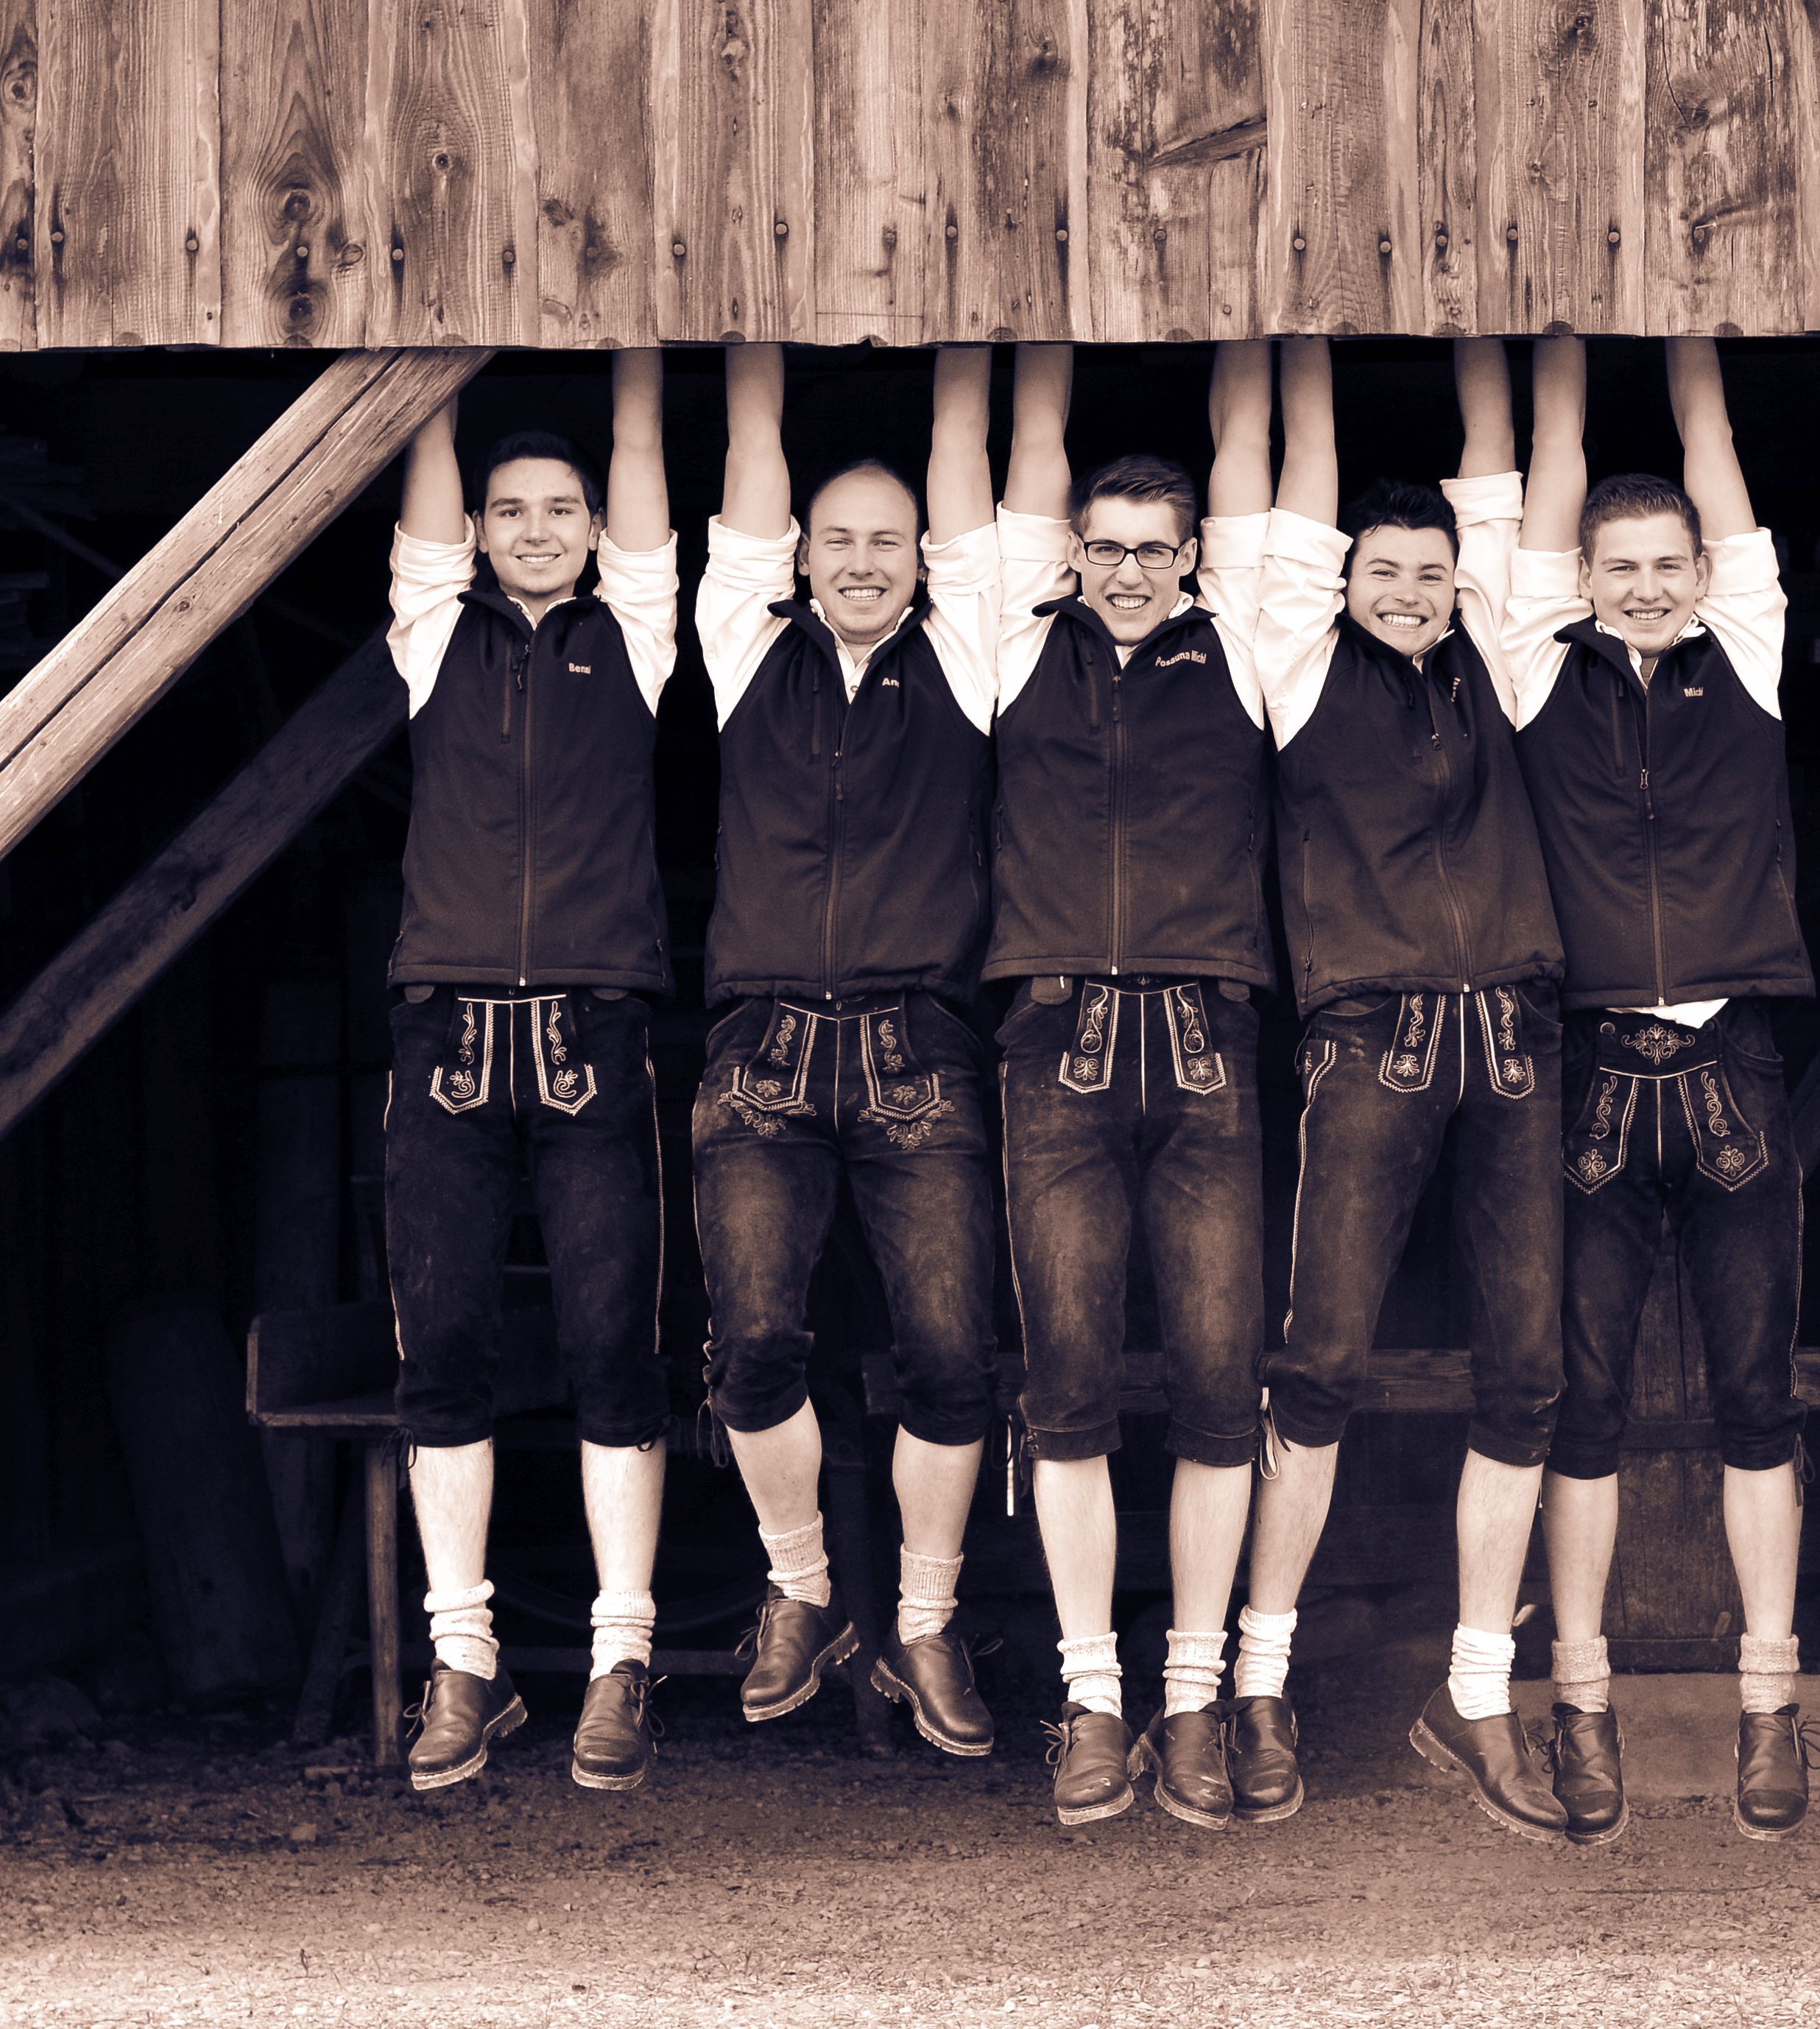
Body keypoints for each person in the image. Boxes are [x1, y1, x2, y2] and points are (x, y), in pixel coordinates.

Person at [1231, 336, 1570, 1843]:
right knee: (1318, 1363)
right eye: (1384, 569)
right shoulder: (1298, 664)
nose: (1412, 589)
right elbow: (1300, 510)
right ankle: (1259, 1679)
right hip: (1372, 1039)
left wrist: (1494, 331)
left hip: (1513, 1043)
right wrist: (1304, 327)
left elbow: (1497, 485)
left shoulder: (1499, 657)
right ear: (1345, 578)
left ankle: (1477, 1691)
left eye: (1432, 570)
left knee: (1528, 1372)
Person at [1503, 335, 1818, 1843]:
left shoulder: (1742, 646)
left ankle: (1771, 1697)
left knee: (1760, 1398)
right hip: (1591, 1074)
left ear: (1703, 572)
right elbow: (1550, 463)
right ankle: (1582, 1700)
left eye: (1667, 564)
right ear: (1579, 575)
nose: (1644, 586)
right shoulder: (1532, 664)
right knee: (1584, 1405)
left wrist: (1686, 325)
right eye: (1617, 566)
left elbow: (1719, 459)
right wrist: (1567, 331)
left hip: (1732, 1063)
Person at [696, 344, 1008, 1758]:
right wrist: (752, 314)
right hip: (760, 1046)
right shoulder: (743, 646)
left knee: (948, 1350)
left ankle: (924, 1625)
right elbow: (749, 451)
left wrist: (969, 332)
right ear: (801, 556)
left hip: (916, 1047)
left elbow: (966, 459)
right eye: (839, 539)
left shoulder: (967, 653)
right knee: (755, 1341)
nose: (864, 560)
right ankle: (804, 1587)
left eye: (889, 540)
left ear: (922, 559)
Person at [987, 345, 1277, 1827]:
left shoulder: (1249, 648)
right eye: (1104, 548)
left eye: (1154, 550)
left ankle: (1194, 1693)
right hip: (1058, 1044)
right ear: (1073, 551)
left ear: (1193, 555)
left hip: (1209, 1043)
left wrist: (1262, 331)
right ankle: (1093, 1695)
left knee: (1223, 1385)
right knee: (1071, 1389)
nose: (1127, 573)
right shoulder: (1011, 644)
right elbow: (1020, 453)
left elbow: (1271, 469)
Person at [385, 353, 677, 1793]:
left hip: (593, 1033)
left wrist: (635, 349)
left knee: (612, 1345)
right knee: (441, 1347)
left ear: (598, 525)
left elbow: (643, 449)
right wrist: (433, 361)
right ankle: (467, 1661)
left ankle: (621, 1656)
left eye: (563, 508)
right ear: (478, 530)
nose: (538, 528)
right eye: (510, 510)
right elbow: (421, 497)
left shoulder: (638, 632)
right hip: (445, 1034)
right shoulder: (433, 633)